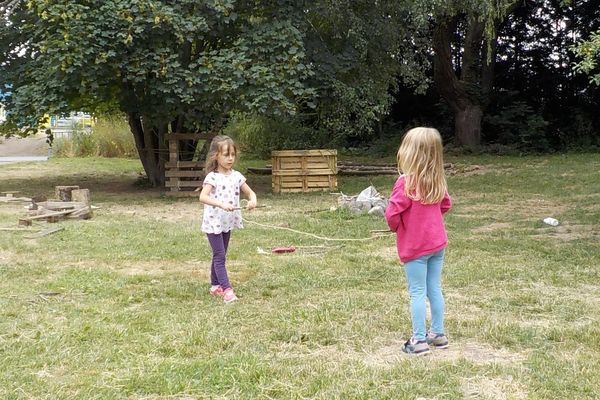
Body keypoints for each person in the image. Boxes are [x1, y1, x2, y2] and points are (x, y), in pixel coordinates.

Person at [384, 127, 452, 355]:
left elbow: (392, 215)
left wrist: (397, 227)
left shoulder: (405, 183)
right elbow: (445, 205)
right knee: (434, 287)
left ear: (409, 153)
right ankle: (438, 334)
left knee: (417, 291)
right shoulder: (437, 180)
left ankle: (419, 340)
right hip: (437, 245)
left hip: (416, 248)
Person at [199, 135, 257, 304]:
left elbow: (251, 193)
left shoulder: (237, 176)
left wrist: (253, 201)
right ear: (216, 156)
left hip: (227, 223)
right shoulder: (212, 177)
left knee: (220, 254)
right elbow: (203, 197)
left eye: (232, 154)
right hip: (214, 222)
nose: (230, 158)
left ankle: (215, 286)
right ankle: (227, 290)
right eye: (226, 154)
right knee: (220, 256)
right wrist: (221, 204)